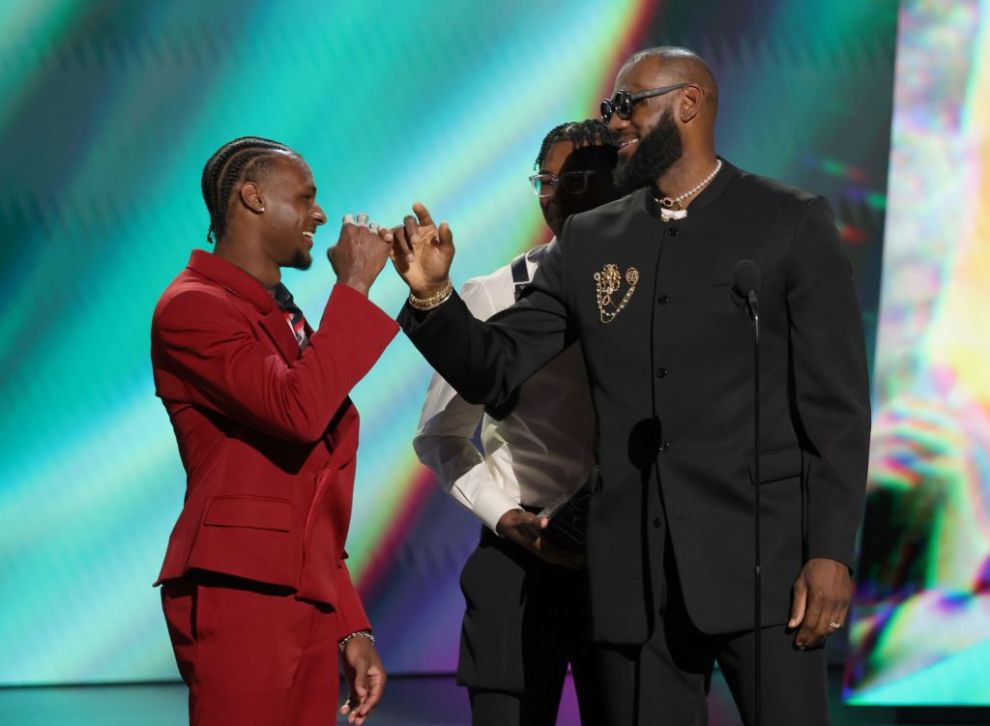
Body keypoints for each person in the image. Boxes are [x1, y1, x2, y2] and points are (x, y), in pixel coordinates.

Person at [390, 47, 871, 725]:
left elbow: (836, 411)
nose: (613, 122)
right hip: (634, 582)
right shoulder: (590, 239)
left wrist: (828, 553)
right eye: (610, 107)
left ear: (689, 103)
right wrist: (437, 299)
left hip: (763, 568)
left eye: (627, 105)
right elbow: (495, 365)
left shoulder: (787, 222)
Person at [151, 136, 396, 726]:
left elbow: (312, 485)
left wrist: (348, 625)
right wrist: (355, 288)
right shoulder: (193, 307)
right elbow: (297, 411)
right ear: (252, 196)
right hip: (240, 588)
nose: (320, 214)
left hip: (301, 591)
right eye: (306, 198)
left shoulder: (281, 315)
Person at [413, 119, 619, 725]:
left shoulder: (658, 292)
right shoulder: (490, 295)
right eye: (544, 180)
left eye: (577, 178)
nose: (555, 194)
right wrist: (505, 516)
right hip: (520, 554)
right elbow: (440, 435)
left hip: (622, 552)